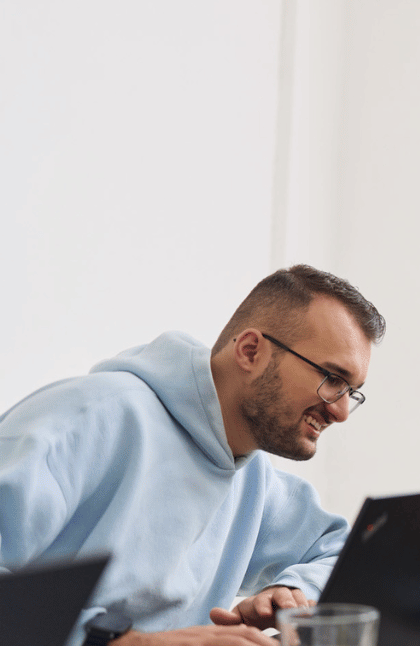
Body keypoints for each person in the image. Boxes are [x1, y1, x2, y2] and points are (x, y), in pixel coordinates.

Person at [0, 264, 386, 646]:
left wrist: (292, 590)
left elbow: (341, 551)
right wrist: (133, 643)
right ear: (251, 351)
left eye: (351, 390)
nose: (341, 411)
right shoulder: (84, 419)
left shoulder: (251, 472)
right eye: (332, 379)